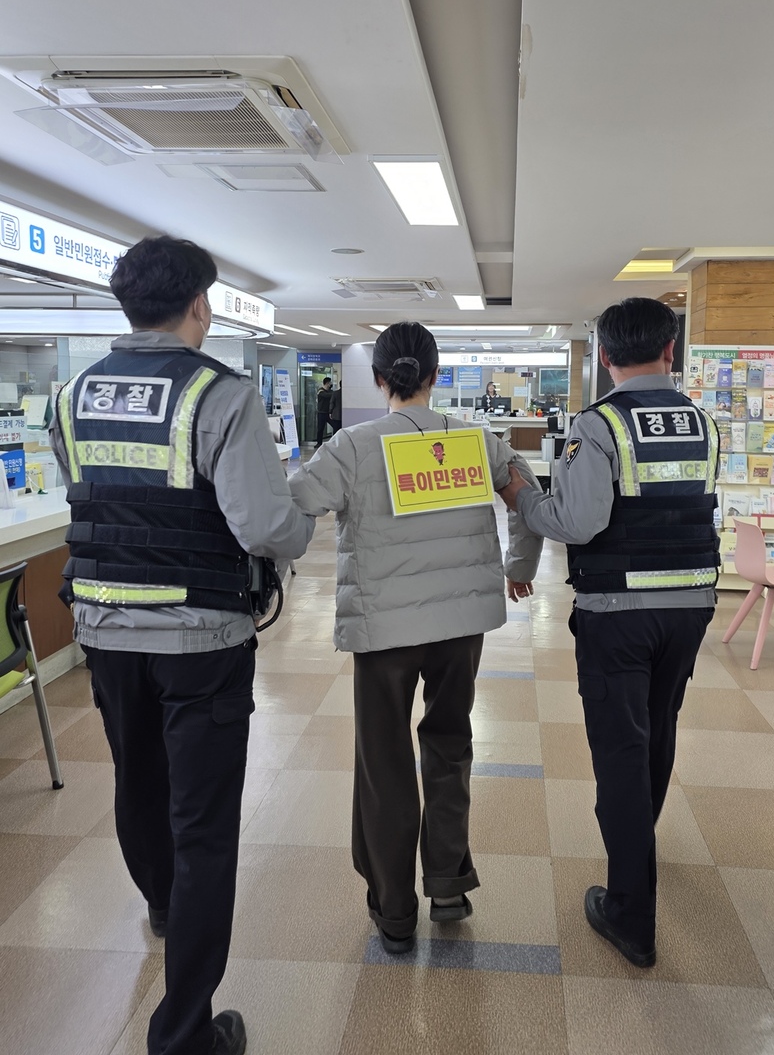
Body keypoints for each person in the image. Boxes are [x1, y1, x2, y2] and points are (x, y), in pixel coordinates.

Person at [50, 236, 314, 1055]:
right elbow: (267, 525)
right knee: (203, 824)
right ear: (199, 305)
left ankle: (161, 901)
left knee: (138, 781)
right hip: (201, 636)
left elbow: (91, 493)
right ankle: (184, 1032)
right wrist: (300, 525)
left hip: (103, 630)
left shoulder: (71, 394)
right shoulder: (220, 396)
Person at [289, 322, 543, 954]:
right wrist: (519, 568)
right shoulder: (477, 439)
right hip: (459, 630)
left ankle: (395, 910)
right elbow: (529, 497)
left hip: (385, 632)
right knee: (450, 743)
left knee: (384, 762)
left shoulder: (351, 446)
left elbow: (292, 507)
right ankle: (449, 882)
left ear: (380, 379)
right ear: (435, 375)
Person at [500, 297, 718, 969]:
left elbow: (579, 523)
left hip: (619, 614)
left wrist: (522, 498)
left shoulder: (599, 427)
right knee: (659, 727)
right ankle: (638, 847)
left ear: (604, 356)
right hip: (690, 607)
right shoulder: (702, 421)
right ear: (670, 351)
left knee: (620, 751)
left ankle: (630, 914)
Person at [315, 377, 333, 447]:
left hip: (328, 413)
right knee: (320, 429)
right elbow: (327, 396)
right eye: (330, 383)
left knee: (335, 426)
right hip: (321, 413)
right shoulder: (320, 391)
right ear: (327, 383)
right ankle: (319, 443)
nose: (331, 384)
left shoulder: (330, 391)